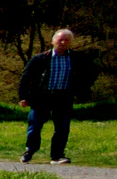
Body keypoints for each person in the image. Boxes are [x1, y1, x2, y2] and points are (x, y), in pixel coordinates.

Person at [18, 28, 97, 164]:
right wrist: (23, 96)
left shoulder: (78, 59)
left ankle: (57, 155)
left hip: (63, 97)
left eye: (66, 40)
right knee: (35, 126)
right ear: (53, 41)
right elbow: (26, 78)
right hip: (42, 97)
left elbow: (91, 73)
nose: (63, 42)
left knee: (62, 128)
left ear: (70, 43)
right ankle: (29, 152)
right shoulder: (40, 59)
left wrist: (81, 88)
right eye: (60, 39)